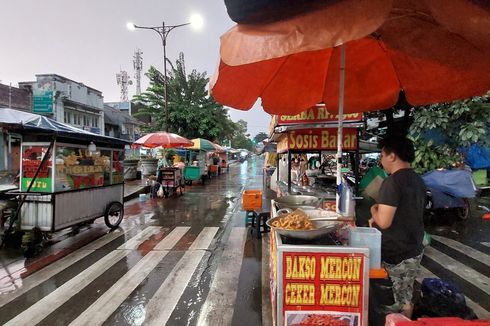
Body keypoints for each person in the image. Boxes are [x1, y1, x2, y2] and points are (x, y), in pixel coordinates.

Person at [368, 135, 426, 319]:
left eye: (382, 155)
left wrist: (373, 209)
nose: (381, 160)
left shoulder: (392, 182)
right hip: (413, 245)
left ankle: (404, 320)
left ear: (392, 156)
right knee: (404, 290)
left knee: (404, 299)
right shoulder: (417, 179)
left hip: (399, 251)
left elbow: (384, 222)